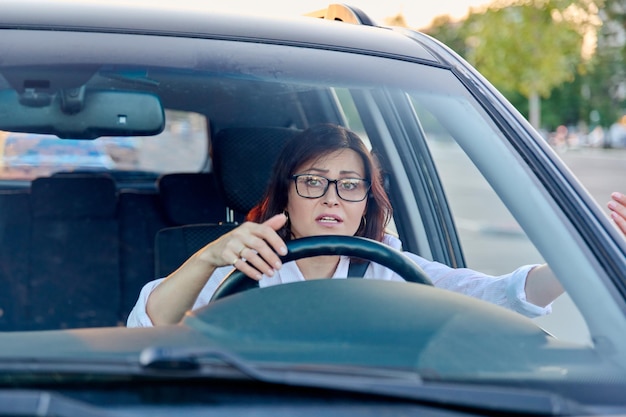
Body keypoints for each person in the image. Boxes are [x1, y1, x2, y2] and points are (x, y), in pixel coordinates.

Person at [127, 124, 563, 327]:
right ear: (286, 194)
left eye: (350, 185)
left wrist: (574, 264)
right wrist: (208, 257)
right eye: (313, 182)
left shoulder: (391, 269)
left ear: (365, 201)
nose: (332, 197)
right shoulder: (244, 267)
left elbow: (493, 297)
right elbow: (146, 327)